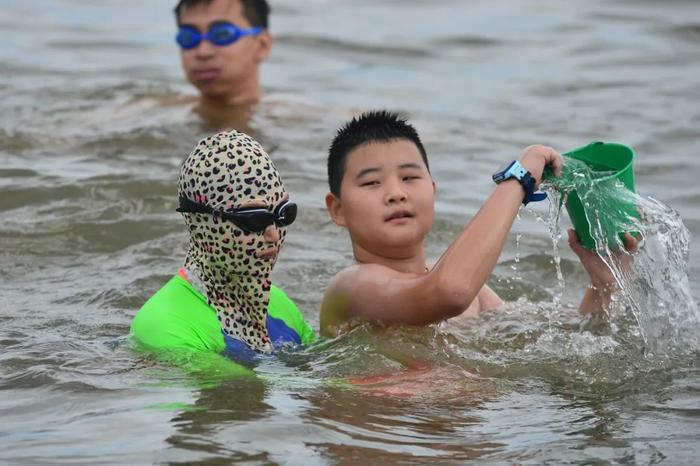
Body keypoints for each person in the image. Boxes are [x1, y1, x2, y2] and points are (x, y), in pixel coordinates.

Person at [320, 110, 639, 337]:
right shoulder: (351, 289)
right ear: (338, 210)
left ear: (432, 189)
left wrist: (604, 283)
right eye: (371, 183)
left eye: (409, 177)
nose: (396, 193)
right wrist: (519, 178)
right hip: (391, 431)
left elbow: (569, 338)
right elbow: (449, 292)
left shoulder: (478, 296)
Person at [131, 130, 314, 364]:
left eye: (284, 214)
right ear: (202, 224)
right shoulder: (165, 324)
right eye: (253, 219)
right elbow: (241, 389)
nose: (273, 234)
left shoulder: (278, 304)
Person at [173, 0, 272, 120]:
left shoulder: (292, 122)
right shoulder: (152, 112)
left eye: (222, 34)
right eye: (188, 37)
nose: (202, 52)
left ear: (262, 45)